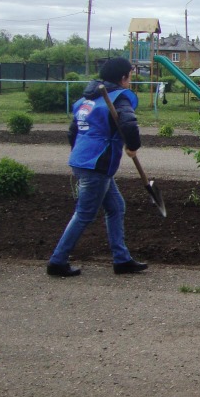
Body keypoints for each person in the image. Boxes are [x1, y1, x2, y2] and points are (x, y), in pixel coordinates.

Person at [47, 57, 148, 277]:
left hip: (84, 160)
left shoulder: (88, 99)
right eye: (130, 75)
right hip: (97, 163)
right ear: (123, 77)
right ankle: (57, 261)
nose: (131, 79)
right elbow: (129, 123)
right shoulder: (118, 97)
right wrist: (132, 147)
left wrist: (81, 153)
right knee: (84, 214)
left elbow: (73, 131)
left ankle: (122, 260)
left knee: (116, 207)